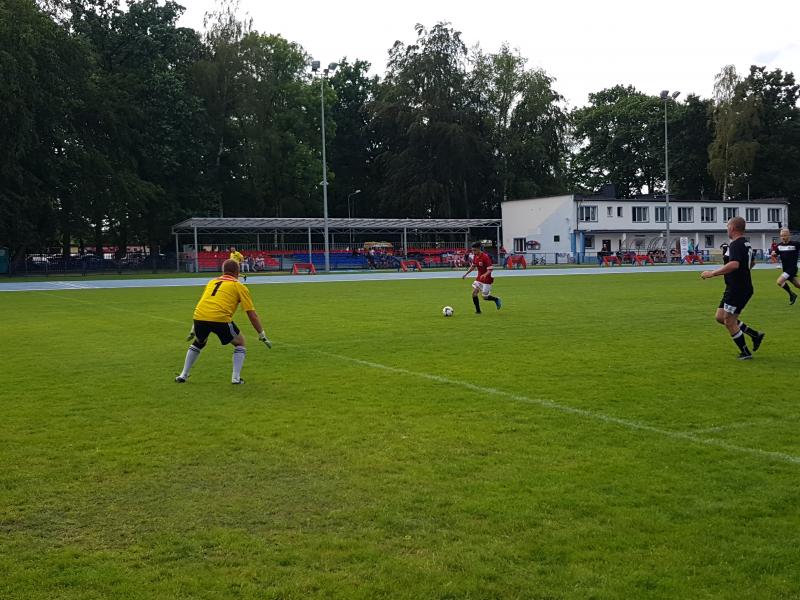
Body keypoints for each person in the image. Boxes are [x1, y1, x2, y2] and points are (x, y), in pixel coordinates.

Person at [176, 259, 271, 384]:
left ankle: (183, 375)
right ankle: (235, 378)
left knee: (199, 342)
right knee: (240, 343)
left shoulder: (212, 282)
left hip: (199, 316)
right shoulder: (238, 286)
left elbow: (205, 304)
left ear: (223, 270)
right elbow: (251, 314)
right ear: (238, 271)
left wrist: (193, 329)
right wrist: (261, 334)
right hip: (220, 318)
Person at [701, 216, 764, 360]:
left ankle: (745, 353)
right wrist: (742, 273)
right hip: (735, 287)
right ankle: (754, 334)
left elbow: (734, 264)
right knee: (720, 317)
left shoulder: (736, 244)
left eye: (727, 226)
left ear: (732, 228)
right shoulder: (745, 243)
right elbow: (752, 262)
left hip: (738, 289)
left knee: (729, 321)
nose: (727, 229)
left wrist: (712, 273)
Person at [462, 242, 502, 314]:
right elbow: (473, 266)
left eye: (474, 250)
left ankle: (496, 299)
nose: (473, 252)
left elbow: (490, 269)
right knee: (474, 293)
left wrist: (485, 275)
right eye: (472, 250)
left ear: (478, 249)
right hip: (479, 278)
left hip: (487, 280)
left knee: (485, 297)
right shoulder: (475, 256)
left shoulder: (485, 257)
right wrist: (466, 274)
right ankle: (478, 311)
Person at [771, 227, 799, 305]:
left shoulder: (795, 244)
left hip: (792, 269)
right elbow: (775, 254)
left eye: (784, 235)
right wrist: (773, 254)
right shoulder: (779, 246)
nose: (783, 237)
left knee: (779, 281)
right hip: (785, 269)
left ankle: (792, 295)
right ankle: (792, 295)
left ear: (789, 235)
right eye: (781, 236)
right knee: (798, 285)